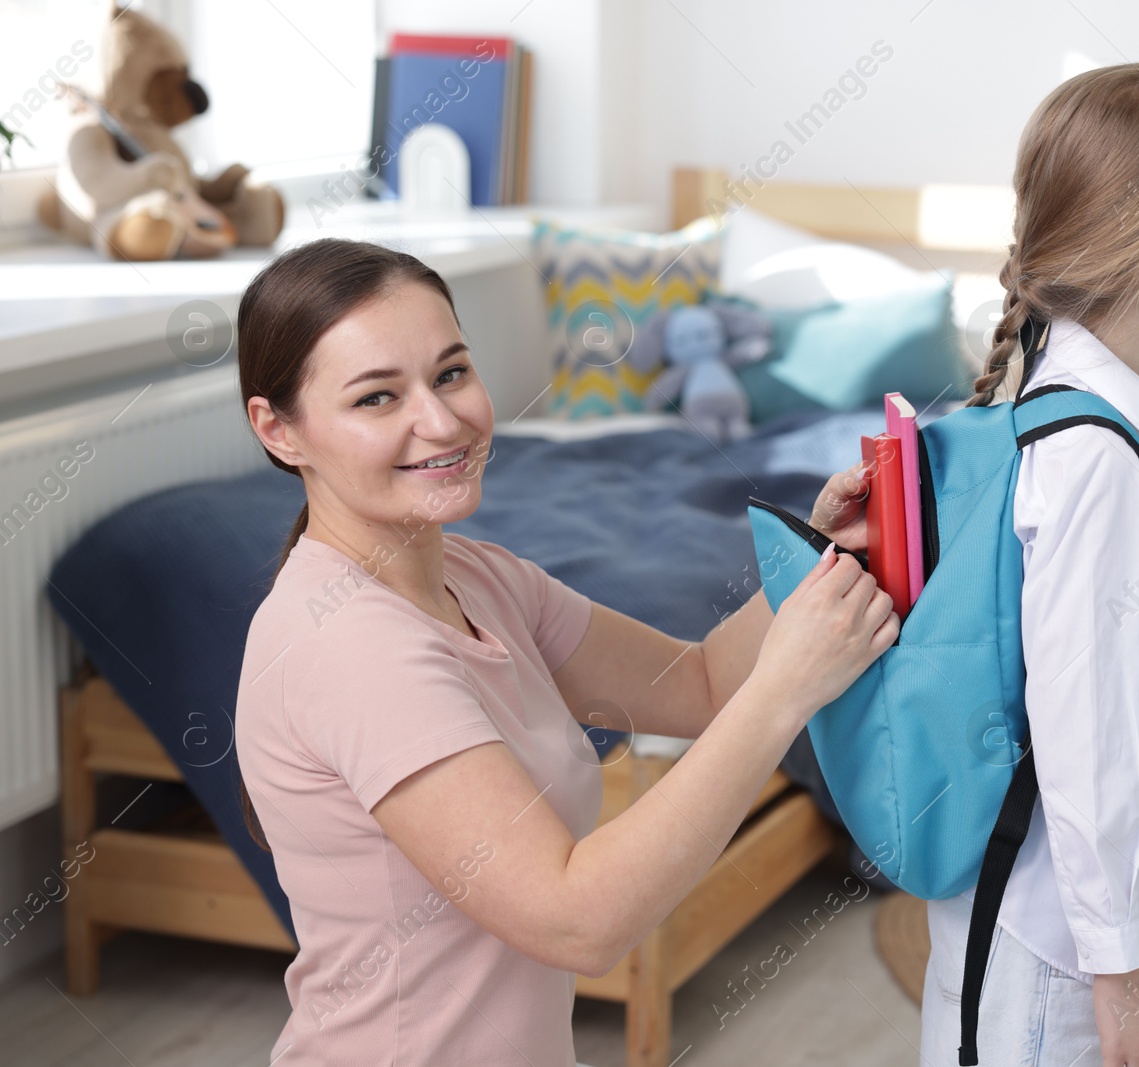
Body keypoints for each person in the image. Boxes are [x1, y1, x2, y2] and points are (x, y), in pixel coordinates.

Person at [233, 237, 896, 1066]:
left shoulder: (477, 574)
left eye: (449, 373)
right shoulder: (352, 646)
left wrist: (816, 552)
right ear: (279, 429)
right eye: (376, 398)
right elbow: (574, 918)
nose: (441, 421)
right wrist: (785, 694)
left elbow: (695, 684)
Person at [917, 63, 1139, 1066]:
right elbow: (1086, 729)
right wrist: (1124, 974)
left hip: (1034, 930)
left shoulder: (1096, 420)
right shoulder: (1098, 458)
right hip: (1048, 953)